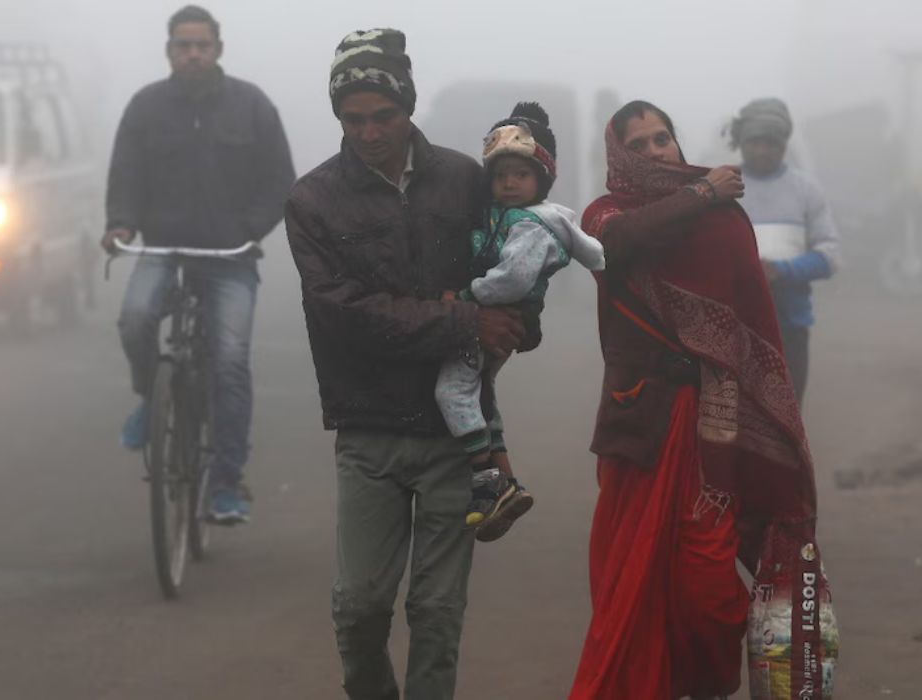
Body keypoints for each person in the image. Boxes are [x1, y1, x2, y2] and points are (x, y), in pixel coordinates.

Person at [284, 28, 529, 700]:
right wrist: (462, 322)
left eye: (383, 116)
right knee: (359, 607)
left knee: (437, 612)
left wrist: (516, 326)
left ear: (409, 107)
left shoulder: (465, 179)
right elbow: (340, 313)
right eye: (353, 119)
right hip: (367, 429)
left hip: (455, 434)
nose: (369, 133)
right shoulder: (312, 200)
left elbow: (511, 270)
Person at [568, 101, 817, 700]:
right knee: (633, 575)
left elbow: (751, 321)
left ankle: (706, 687)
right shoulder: (605, 214)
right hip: (641, 423)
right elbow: (617, 243)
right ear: (619, 156)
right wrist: (702, 191)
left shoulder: (722, 218)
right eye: (640, 145)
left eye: (663, 139)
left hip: (713, 422)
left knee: (711, 591)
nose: (656, 152)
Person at [102, 5, 296, 524]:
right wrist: (120, 224)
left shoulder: (252, 105)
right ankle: (151, 398)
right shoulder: (145, 106)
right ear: (169, 51)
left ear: (218, 50)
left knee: (229, 362)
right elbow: (124, 174)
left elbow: (280, 182)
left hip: (230, 257)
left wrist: (247, 231)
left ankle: (227, 483)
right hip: (162, 249)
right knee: (135, 318)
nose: (192, 54)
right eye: (183, 45)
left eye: (201, 45)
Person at [434, 102, 605, 540]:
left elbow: (512, 279)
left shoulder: (531, 225)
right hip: (500, 312)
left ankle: (484, 477)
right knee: (480, 393)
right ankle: (506, 483)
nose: (509, 183)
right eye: (501, 175)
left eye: (521, 174)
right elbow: (592, 253)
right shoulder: (523, 216)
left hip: (496, 313)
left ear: (541, 179)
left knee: (452, 391)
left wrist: (466, 297)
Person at [730, 97, 840, 401]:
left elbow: (830, 255)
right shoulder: (724, 189)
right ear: (741, 142)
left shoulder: (806, 189)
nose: (762, 150)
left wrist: (782, 271)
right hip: (734, 324)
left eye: (771, 143)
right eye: (755, 142)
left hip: (790, 324)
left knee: (786, 407)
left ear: (783, 145)